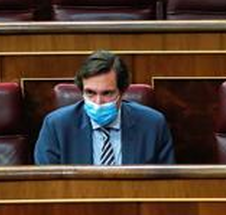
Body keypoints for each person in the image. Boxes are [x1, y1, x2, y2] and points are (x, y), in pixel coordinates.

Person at [34, 49, 175, 166]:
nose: (98, 102)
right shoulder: (56, 126)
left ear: (123, 92)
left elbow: (165, 186)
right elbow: (48, 186)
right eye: (90, 93)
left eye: (107, 93)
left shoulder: (152, 125)